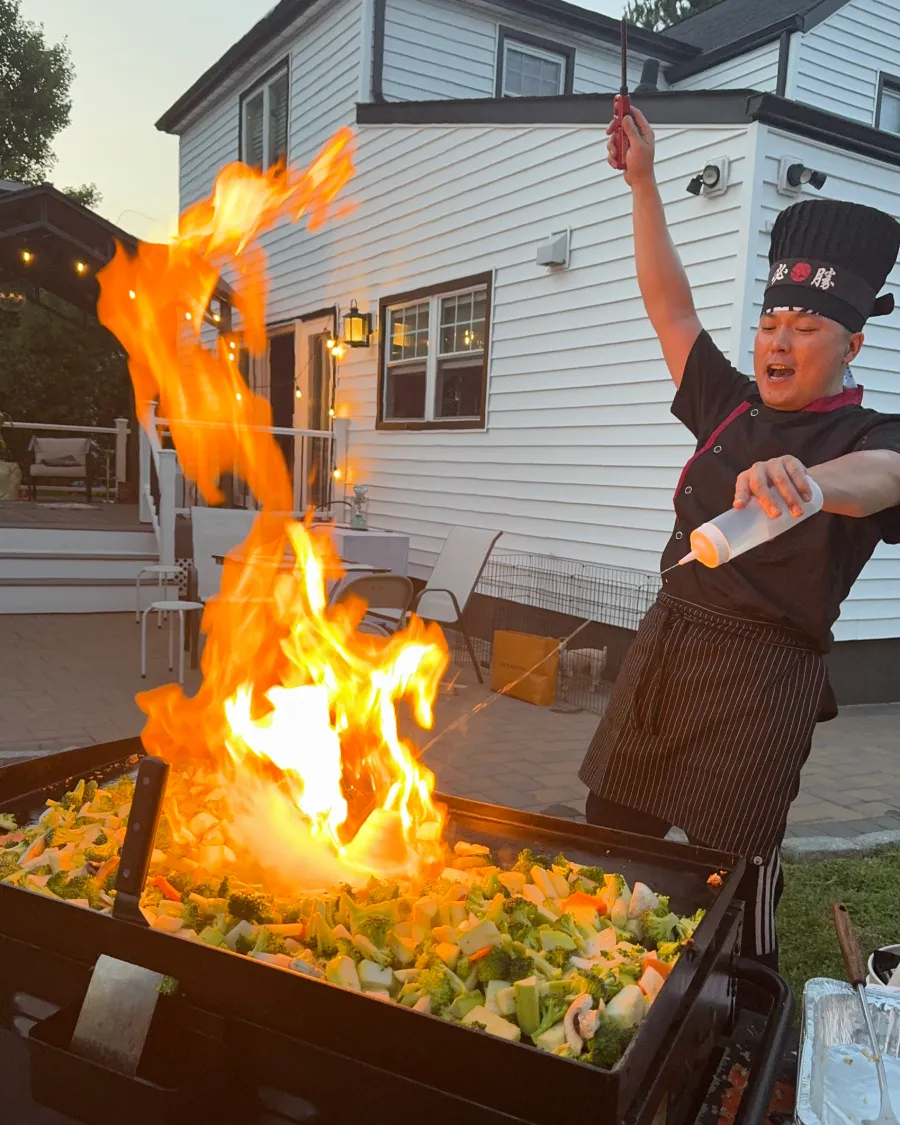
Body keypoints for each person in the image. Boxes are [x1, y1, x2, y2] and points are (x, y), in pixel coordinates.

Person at [579, 106, 900, 969]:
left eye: (804, 328)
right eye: (770, 324)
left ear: (852, 343)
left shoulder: (869, 435)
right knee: (612, 834)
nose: (778, 342)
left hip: (764, 676)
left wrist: (810, 486)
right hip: (669, 644)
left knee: (730, 874)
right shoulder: (729, 407)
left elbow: (889, 480)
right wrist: (643, 182)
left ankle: (730, 1001)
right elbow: (670, 307)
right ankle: (599, 969)